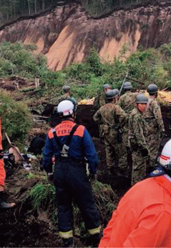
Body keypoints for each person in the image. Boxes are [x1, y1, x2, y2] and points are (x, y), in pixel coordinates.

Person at [43, 100, 101, 247]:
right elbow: (92, 155)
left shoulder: (52, 132)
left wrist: (50, 173)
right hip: (77, 171)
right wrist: (93, 172)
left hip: (60, 172)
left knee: (63, 206)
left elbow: (46, 157)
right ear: (73, 113)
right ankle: (95, 239)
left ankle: (67, 241)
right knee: (86, 204)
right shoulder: (81, 130)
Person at [93, 89, 128, 176]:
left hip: (105, 132)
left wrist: (102, 124)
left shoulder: (102, 108)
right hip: (114, 132)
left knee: (109, 150)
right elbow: (124, 116)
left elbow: (95, 117)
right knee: (121, 151)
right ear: (114, 98)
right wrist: (119, 125)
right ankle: (122, 170)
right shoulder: (115, 107)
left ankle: (110, 169)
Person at [128, 94, 151, 186]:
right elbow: (138, 133)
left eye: (145, 104)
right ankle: (136, 186)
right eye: (142, 104)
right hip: (138, 146)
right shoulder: (136, 115)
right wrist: (143, 147)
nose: (144, 106)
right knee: (138, 167)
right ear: (137, 104)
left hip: (137, 144)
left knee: (139, 167)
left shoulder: (136, 113)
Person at [143, 84, 165, 161]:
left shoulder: (144, 101)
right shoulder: (154, 103)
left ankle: (145, 161)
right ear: (156, 93)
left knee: (147, 143)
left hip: (144, 125)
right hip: (153, 127)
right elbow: (158, 117)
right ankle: (151, 164)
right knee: (153, 146)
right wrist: (162, 128)